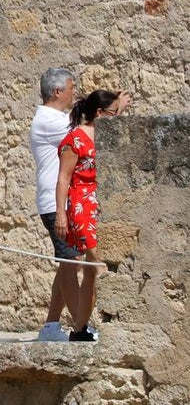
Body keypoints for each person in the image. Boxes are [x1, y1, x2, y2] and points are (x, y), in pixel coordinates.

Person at [54, 88, 130, 342]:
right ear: (99, 113)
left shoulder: (106, 136)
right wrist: (61, 215)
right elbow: (63, 179)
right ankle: (119, 324)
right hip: (80, 205)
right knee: (98, 265)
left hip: (99, 204)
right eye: (113, 113)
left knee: (88, 271)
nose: (116, 117)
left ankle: (79, 329)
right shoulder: (74, 139)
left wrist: (120, 105)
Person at [29, 67, 85, 342]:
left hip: (60, 202)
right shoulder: (49, 120)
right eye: (72, 87)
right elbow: (84, 133)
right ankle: (80, 327)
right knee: (70, 261)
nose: (75, 92)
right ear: (57, 92)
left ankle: (51, 325)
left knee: (68, 263)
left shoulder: (57, 117)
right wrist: (112, 110)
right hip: (55, 203)